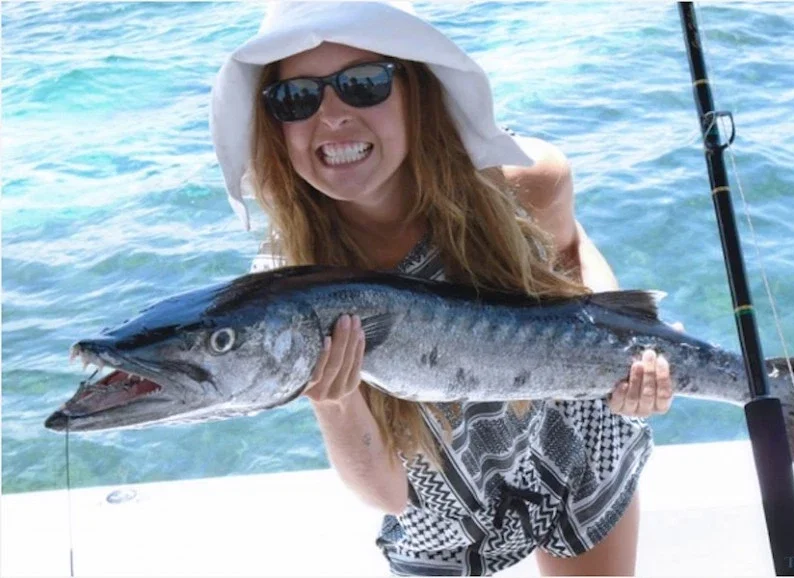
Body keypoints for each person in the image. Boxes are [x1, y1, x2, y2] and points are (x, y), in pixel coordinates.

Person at [211, 2, 674, 575]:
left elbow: (572, 252)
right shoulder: (288, 287)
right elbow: (387, 493)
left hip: (573, 439)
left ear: (416, 89)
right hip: (439, 501)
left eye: (363, 84)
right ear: (274, 124)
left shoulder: (524, 181)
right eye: (296, 97)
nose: (331, 117)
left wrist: (633, 357)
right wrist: (334, 400)